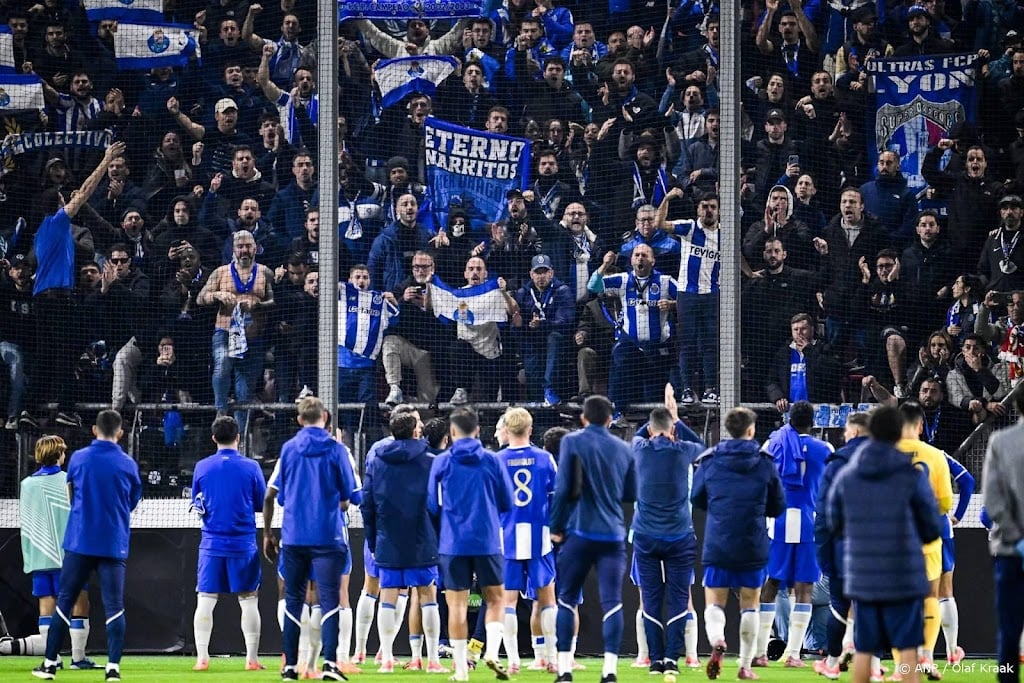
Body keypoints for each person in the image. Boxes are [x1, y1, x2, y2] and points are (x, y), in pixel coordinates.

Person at [827, 406, 944, 683]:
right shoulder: (912, 476)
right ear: (898, 433)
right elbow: (932, 528)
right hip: (903, 575)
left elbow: (834, 523)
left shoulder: (848, 476)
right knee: (907, 652)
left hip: (863, 576)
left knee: (864, 647)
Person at [31, 410, 142, 682]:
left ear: (94, 430)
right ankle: (112, 668)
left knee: (64, 601)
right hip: (113, 543)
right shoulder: (128, 464)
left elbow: (70, 493)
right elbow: (132, 500)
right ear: (120, 433)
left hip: (79, 541)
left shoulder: (79, 458)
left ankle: (49, 665)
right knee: (114, 606)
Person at [32, 141, 127, 429]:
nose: (67, 201)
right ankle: (64, 408)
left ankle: (30, 409)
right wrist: (106, 158)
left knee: (48, 355)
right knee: (68, 350)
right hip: (57, 298)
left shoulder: (41, 233)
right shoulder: (58, 222)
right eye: (63, 199)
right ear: (57, 204)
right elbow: (85, 191)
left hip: (42, 299)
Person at [262, 396, 358, 682]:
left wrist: (267, 534)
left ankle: (291, 666)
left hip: (293, 537)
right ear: (326, 417)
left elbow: (269, 495)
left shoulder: (288, 450)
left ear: (299, 419)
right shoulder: (337, 449)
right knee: (330, 601)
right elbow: (348, 496)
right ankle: (331, 664)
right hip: (328, 536)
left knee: (293, 600)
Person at [690, 407, 786, 681]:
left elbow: (697, 498)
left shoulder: (709, 461)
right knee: (750, 604)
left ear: (727, 430)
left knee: (714, 603)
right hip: (752, 543)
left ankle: (718, 639)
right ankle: (745, 666)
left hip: (719, 541)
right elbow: (778, 505)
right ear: (751, 430)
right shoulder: (765, 462)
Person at [549, 395, 636, 683]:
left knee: (567, 599)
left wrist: (556, 526)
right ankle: (609, 671)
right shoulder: (625, 448)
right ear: (610, 419)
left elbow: (562, 490)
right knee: (613, 601)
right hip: (612, 533)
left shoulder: (572, 442)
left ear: (583, 418)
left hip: (579, 531)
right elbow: (631, 493)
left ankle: (564, 671)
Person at [427, 406, 514, 682]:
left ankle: (461, 671)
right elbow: (507, 502)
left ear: (452, 432)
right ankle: (491, 650)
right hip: (487, 540)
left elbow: (431, 504)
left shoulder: (441, 462)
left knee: (456, 606)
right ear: (478, 430)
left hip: (453, 543)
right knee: (496, 599)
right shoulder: (492, 460)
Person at [361, 410, 445, 673]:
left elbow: (367, 505)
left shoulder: (376, 460)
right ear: (415, 431)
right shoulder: (431, 461)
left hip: (389, 538)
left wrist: (373, 541)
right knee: (427, 594)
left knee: (387, 595)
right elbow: (440, 505)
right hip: (422, 537)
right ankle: (432, 661)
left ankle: (385, 658)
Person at [630, 384, 705, 677]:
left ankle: (655, 659)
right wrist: (678, 421)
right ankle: (673, 659)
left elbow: (639, 436)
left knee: (649, 598)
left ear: (650, 430)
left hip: (646, 537)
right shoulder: (683, 451)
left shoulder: (640, 449)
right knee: (678, 598)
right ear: (672, 429)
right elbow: (700, 444)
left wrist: (659, 425)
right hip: (679, 536)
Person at [755, 401, 833, 669]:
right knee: (804, 589)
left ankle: (759, 651)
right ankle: (793, 654)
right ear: (813, 422)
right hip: (809, 524)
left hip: (777, 521)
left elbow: (758, 476)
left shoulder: (772, 444)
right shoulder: (825, 449)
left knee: (772, 583)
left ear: (789, 419)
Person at [190, 416, 267, 672]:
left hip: (211, 543)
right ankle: (252, 659)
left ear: (213, 438)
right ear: (239, 437)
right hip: (243, 544)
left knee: (205, 600)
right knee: (249, 600)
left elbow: (196, 501)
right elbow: (260, 503)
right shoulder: (252, 467)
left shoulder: (201, 467)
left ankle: (202, 658)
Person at [12, 435, 93, 665]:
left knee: (46, 606)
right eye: (63, 452)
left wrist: (30, 555)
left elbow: (26, 523)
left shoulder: (26, 485)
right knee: (80, 602)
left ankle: (52, 658)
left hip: (39, 556)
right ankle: (78, 658)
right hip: (68, 556)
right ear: (58, 455)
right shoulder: (69, 481)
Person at [496, 407, 559, 675]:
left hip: (506, 538)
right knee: (547, 599)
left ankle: (512, 660)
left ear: (507, 430)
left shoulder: (496, 461)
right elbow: (556, 498)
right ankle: (552, 658)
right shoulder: (545, 459)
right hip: (539, 538)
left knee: (507, 601)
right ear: (530, 429)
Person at [196, 230, 275, 433]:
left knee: (245, 389)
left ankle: (238, 437)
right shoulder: (221, 272)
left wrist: (257, 305)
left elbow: (274, 301)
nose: (244, 250)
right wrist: (217, 295)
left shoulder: (265, 272)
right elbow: (200, 298)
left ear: (255, 248)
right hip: (224, 331)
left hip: (253, 337)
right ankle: (220, 410)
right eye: (240, 246)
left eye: (248, 246)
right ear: (234, 250)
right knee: (222, 364)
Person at [896, 401, 954, 678]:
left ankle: (902, 664)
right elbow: (945, 502)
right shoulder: (934, 455)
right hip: (926, 536)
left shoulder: (881, 454)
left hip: (891, 538)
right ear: (920, 426)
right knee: (931, 595)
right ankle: (927, 657)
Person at [813, 412, 869, 680]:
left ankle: (833, 663)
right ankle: (875, 664)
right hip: (884, 548)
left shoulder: (838, 462)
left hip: (845, 547)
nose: (845, 435)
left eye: (846, 430)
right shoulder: (893, 460)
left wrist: (824, 553)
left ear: (855, 432)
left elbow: (825, 512)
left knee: (839, 604)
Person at [981, 387, 1024, 683]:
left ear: (1017, 405)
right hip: (1012, 550)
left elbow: (993, 501)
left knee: (1009, 631)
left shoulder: (1000, 441)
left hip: (1011, 552)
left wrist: (1018, 539)